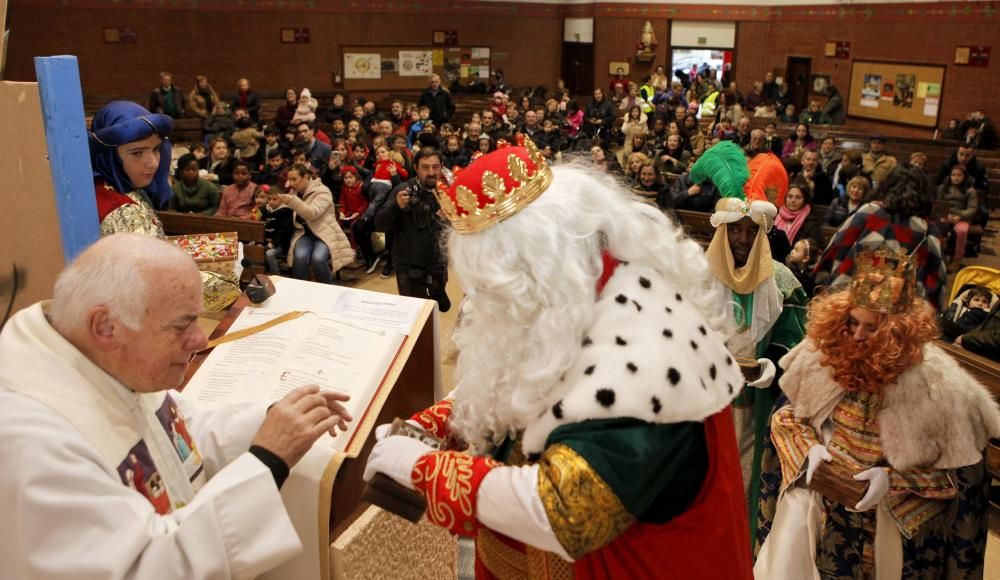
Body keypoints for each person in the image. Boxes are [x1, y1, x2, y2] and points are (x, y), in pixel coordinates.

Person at [364, 136, 753, 579]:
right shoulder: (575, 289)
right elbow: (534, 373)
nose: (483, 300)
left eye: (491, 285)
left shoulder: (650, 352)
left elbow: (564, 512)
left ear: (534, 264)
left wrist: (421, 469)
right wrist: (444, 421)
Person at [0, 234, 354, 578]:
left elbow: (181, 436)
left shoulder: (105, 361)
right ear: (105, 327)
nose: (200, 339)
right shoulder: (33, 445)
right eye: (181, 326)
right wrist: (268, 459)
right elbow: (141, 568)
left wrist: (273, 419)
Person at [754, 250, 1000, 578]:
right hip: (824, 513)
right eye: (851, 322)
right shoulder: (827, 352)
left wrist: (892, 482)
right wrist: (808, 448)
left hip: (888, 523)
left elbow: (960, 475)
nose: (856, 335)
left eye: (870, 328)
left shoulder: (937, 384)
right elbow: (787, 415)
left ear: (897, 331)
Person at [688, 141, 807, 537]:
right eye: (735, 230)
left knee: (743, 481)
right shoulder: (696, 279)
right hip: (704, 398)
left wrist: (771, 364)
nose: (742, 239)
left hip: (754, 405)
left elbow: (792, 339)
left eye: (750, 231)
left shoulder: (782, 282)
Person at [816, 166, 946, 307]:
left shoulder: (870, 213)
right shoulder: (928, 229)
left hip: (852, 300)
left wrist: (820, 282)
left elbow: (836, 247)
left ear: (887, 185)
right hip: (902, 310)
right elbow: (937, 276)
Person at [374, 148, 451, 312]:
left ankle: (438, 290)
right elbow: (379, 224)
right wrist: (396, 206)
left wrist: (450, 219)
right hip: (409, 267)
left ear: (442, 167)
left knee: (438, 307)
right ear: (415, 167)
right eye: (425, 167)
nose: (431, 172)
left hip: (438, 265)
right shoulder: (403, 191)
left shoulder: (448, 192)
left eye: (435, 167)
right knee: (413, 316)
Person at [278, 163, 355, 284]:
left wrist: (292, 201)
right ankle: (301, 290)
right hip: (304, 234)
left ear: (305, 177)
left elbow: (312, 213)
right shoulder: (294, 193)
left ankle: (327, 291)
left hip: (324, 233)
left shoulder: (322, 191)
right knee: (300, 257)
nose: (291, 183)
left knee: (318, 259)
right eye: (289, 180)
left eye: (294, 179)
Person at [936, 164, 979, 269]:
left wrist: (959, 216)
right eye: (953, 175)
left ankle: (957, 259)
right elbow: (938, 204)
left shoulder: (970, 190)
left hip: (962, 217)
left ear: (964, 177)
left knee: (961, 231)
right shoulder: (943, 187)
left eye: (959, 175)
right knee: (937, 227)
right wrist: (945, 214)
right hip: (946, 215)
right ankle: (939, 256)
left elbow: (972, 209)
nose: (956, 177)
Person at [775, 180, 823, 250]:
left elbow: (819, 248)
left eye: (798, 197)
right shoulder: (776, 215)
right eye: (790, 196)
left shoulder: (811, 223)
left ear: (805, 200)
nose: (793, 200)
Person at [262, 186, 295, 275]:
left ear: (281, 200)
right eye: (269, 199)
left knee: (269, 253)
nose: (271, 202)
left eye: (274, 199)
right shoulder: (265, 210)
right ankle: (262, 272)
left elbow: (283, 231)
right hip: (266, 241)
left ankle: (275, 274)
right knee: (254, 249)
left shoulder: (286, 211)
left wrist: (273, 243)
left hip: (281, 244)